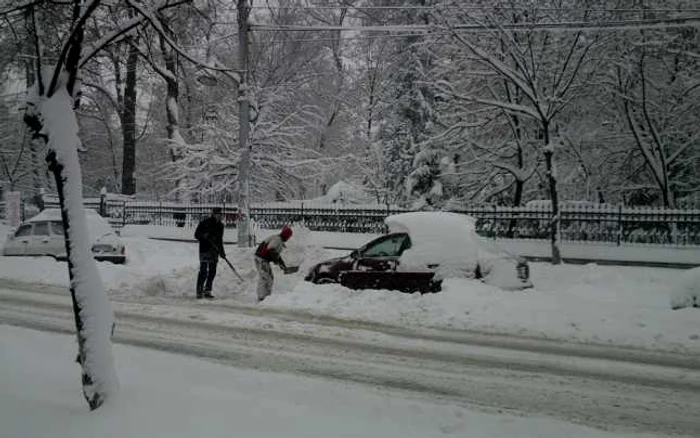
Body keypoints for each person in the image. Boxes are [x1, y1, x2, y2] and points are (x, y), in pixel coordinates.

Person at [254, 225, 293, 302]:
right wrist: (276, 261)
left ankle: (267, 298)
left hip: (263, 259)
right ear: (286, 236)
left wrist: (283, 266)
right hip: (261, 259)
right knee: (264, 277)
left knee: (270, 277)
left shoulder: (279, 240)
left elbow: (277, 255)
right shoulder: (277, 239)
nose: (289, 239)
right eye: (289, 237)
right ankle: (261, 298)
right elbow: (270, 250)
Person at [194, 207, 225, 299]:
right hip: (205, 250)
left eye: (220, 214)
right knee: (203, 271)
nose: (219, 216)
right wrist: (204, 236)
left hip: (214, 251)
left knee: (212, 271)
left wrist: (222, 252)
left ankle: (207, 289)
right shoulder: (205, 223)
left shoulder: (220, 226)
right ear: (213, 214)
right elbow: (196, 235)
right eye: (218, 214)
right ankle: (199, 290)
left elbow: (220, 240)